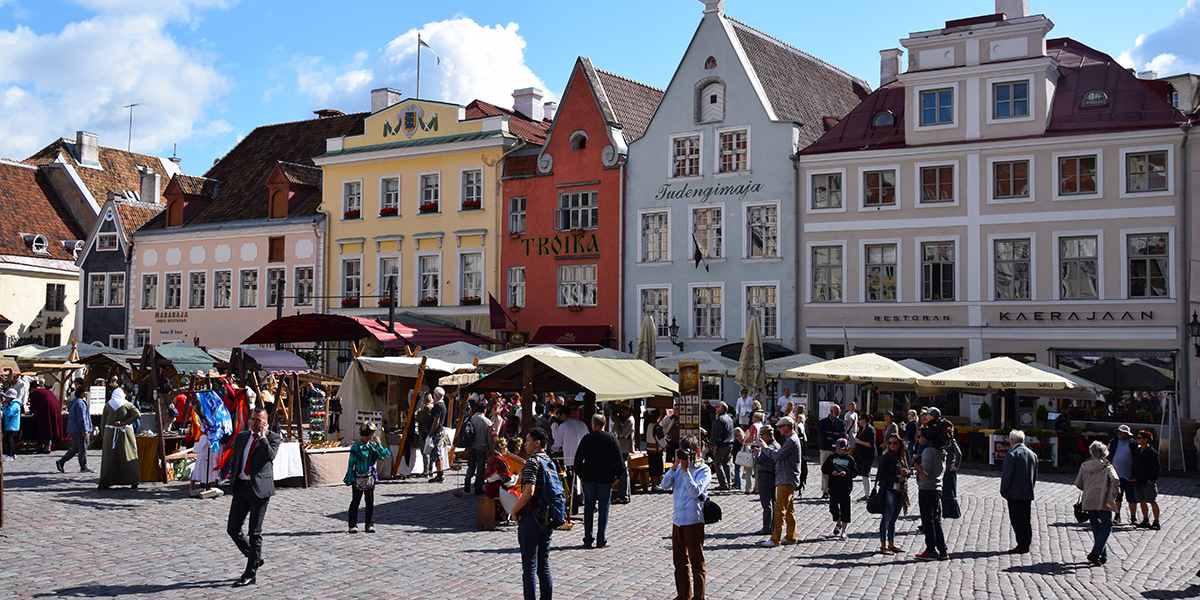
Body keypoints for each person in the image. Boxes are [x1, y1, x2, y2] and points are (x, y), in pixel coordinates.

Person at [223, 408, 280, 586]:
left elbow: (271, 456)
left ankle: (250, 573)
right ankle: (255, 557)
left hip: (260, 490)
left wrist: (262, 437)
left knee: (254, 533)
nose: (256, 423)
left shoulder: (273, 438)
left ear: (266, 422)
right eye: (253, 419)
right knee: (232, 528)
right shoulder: (242, 437)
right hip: (241, 487)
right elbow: (236, 459)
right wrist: (229, 476)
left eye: (260, 420)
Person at [511, 428, 560, 600]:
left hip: (531, 517)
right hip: (548, 516)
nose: (525, 444)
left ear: (537, 442)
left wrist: (514, 510)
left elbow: (529, 491)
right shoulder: (550, 461)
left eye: (528, 440)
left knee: (529, 567)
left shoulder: (533, 462)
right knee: (543, 565)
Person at [660, 436, 710, 600]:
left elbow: (695, 492)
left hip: (693, 520)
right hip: (678, 520)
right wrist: (674, 467)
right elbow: (664, 485)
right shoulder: (677, 468)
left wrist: (686, 470)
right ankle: (683, 595)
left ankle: (699, 597)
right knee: (679, 562)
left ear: (696, 452)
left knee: (697, 562)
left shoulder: (703, 470)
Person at [574, 414, 625, 548]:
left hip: (589, 479)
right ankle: (601, 539)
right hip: (605, 479)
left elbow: (577, 461)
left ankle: (588, 538)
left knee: (588, 509)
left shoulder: (587, 439)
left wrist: (581, 475)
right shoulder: (611, 439)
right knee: (603, 510)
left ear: (593, 424)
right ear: (604, 424)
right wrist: (616, 478)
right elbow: (619, 462)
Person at [1075, 441, 1119, 566]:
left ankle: (1102, 555)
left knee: (1096, 527)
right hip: (1104, 499)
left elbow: (1079, 483)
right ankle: (1095, 553)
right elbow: (1116, 480)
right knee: (1106, 526)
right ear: (1104, 452)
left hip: (1089, 499)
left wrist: (1089, 488)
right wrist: (1114, 493)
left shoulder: (1084, 465)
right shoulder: (1107, 466)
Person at [344, 424, 391, 533]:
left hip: (369, 478)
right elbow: (351, 463)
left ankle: (369, 524)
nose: (370, 437)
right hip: (358, 478)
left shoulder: (373, 446)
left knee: (369, 502)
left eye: (371, 435)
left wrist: (379, 444)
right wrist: (350, 476)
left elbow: (383, 456)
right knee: (355, 501)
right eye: (369, 435)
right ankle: (352, 525)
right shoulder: (356, 447)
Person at [762, 416, 800, 547]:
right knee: (789, 510)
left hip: (786, 478)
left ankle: (775, 539)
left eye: (781, 427)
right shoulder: (790, 439)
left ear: (788, 427)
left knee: (779, 510)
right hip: (788, 478)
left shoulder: (791, 441)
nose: (779, 429)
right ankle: (791, 536)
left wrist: (765, 447)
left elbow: (778, 456)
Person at [1000, 429, 1038, 554]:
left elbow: (1007, 475)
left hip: (1014, 494)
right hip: (1027, 492)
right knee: (1026, 519)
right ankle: (1026, 543)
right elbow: (1035, 476)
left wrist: (1004, 491)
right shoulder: (1032, 454)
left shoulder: (1012, 454)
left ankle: (1021, 545)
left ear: (1011, 440)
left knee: (1017, 520)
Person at [98, 384, 140, 490]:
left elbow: (102, 422)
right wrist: (125, 422)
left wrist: (104, 435)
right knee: (128, 455)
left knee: (109, 458)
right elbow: (137, 414)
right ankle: (132, 480)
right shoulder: (127, 404)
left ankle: (106, 481)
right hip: (125, 433)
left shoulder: (108, 405)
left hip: (110, 433)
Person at [914, 427, 948, 560]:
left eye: (920, 436)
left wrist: (917, 466)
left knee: (929, 522)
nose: (918, 439)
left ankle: (931, 550)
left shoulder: (928, 451)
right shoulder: (940, 451)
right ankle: (942, 550)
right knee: (936, 520)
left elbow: (925, 475)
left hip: (927, 489)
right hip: (936, 488)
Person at [551, 405, 588, 515]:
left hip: (570, 458)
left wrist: (552, 449)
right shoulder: (582, 424)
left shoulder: (564, 426)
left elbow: (557, 444)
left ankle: (574, 506)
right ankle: (589, 503)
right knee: (585, 482)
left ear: (563, 414)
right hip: (584, 458)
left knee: (572, 484)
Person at [876, 434, 909, 554]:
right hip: (889, 490)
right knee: (886, 518)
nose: (892, 445)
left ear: (899, 444)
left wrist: (907, 472)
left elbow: (908, 469)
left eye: (895, 443)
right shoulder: (886, 457)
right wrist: (896, 477)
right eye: (890, 443)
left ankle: (891, 544)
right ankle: (883, 545)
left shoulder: (902, 456)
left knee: (893, 519)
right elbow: (881, 475)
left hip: (900, 490)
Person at [823, 438, 856, 540]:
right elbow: (824, 468)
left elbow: (855, 472)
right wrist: (832, 472)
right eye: (837, 448)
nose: (839, 450)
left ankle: (844, 531)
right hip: (833, 486)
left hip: (845, 487)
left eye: (841, 448)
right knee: (833, 507)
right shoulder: (831, 458)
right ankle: (838, 522)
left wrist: (847, 473)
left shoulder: (850, 459)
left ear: (846, 449)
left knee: (845, 508)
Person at [57, 380, 93, 473]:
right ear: (81, 393)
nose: (85, 394)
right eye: (84, 392)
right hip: (79, 430)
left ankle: (61, 461)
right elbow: (82, 418)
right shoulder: (80, 403)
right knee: (82, 448)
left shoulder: (74, 402)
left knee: (75, 448)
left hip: (74, 429)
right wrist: (85, 430)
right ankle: (83, 466)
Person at [1107, 424, 1138, 525]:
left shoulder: (1132, 443)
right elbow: (1108, 455)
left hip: (1129, 475)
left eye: (1122, 433)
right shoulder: (1114, 442)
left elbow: (1137, 459)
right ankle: (1117, 515)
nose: (1120, 434)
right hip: (1116, 475)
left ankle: (1133, 517)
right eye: (1119, 432)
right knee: (1117, 497)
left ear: (1127, 434)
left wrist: (1135, 475)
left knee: (1132, 498)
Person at [1132, 430, 1161, 530]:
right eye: (1138, 438)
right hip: (1138, 480)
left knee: (1152, 501)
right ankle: (1145, 520)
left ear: (1146, 439)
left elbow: (1156, 468)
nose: (1138, 440)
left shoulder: (1152, 452)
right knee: (1142, 501)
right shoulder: (1138, 450)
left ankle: (1156, 521)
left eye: (1140, 438)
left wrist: (1152, 480)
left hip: (1148, 481)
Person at [753, 425, 779, 535]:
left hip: (766, 476)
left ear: (767, 435)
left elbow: (762, 461)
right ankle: (772, 526)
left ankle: (766, 527)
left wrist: (756, 455)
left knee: (766, 503)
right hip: (772, 476)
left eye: (762, 435)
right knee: (773, 502)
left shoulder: (769, 447)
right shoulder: (776, 444)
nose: (761, 438)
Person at [464, 403, 494, 495]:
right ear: (484, 410)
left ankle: (467, 482)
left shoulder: (470, 419)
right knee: (480, 468)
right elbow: (489, 438)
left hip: (471, 446)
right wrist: (491, 450)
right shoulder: (487, 422)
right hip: (482, 447)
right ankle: (478, 487)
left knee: (471, 465)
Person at [27, 380, 64, 453]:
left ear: (31, 388)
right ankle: (47, 445)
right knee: (50, 426)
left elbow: (33, 406)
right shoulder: (46, 391)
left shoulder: (35, 393)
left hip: (46, 410)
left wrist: (32, 411)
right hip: (54, 408)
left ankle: (47, 446)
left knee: (46, 427)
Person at [818, 404, 844, 498]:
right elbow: (823, 436)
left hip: (836, 450)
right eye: (835, 412)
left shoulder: (841, 423)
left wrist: (833, 438)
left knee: (836, 470)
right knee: (825, 470)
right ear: (831, 411)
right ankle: (825, 491)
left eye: (838, 412)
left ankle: (833, 489)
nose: (837, 414)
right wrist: (834, 438)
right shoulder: (823, 422)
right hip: (825, 449)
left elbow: (842, 436)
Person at [611, 406, 635, 504]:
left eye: (623, 410)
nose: (621, 413)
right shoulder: (623, 419)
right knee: (621, 472)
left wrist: (617, 422)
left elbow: (622, 434)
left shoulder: (630, 420)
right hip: (620, 448)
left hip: (624, 449)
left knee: (624, 472)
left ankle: (624, 495)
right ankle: (622, 494)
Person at [710, 402, 735, 491]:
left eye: (717, 407)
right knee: (726, 464)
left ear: (723, 408)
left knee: (717, 464)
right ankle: (729, 483)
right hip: (729, 444)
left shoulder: (719, 419)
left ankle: (723, 484)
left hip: (721, 445)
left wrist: (714, 446)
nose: (716, 408)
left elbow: (716, 434)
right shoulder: (729, 418)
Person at [853, 417, 877, 501]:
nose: (859, 421)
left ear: (865, 420)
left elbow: (870, 444)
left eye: (861, 420)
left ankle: (868, 495)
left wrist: (858, 441)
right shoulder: (861, 429)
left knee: (865, 474)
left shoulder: (870, 429)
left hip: (868, 455)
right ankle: (867, 494)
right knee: (864, 474)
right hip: (861, 455)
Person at [427, 387, 447, 483]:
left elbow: (436, 421)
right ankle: (440, 474)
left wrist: (431, 432)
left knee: (437, 453)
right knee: (438, 453)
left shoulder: (438, 406)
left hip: (437, 432)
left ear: (435, 395)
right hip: (440, 431)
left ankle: (440, 475)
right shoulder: (443, 405)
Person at [741, 412, 764, 494]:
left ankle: (748, 488)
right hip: (759, 448)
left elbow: (751, 438)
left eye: (753, 417)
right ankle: (757, 488)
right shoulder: (762, 425)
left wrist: (744, 441)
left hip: (751, 448)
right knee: (757, 470)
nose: (752, 418)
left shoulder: (754, 425)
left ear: (756, 418)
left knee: (748, 470)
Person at [2, 388, 22, 462]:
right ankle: (11, 454)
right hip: (9, 425)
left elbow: (8, 413)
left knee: (10, 441)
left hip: (12, 426)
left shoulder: (15, 405)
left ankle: (11, 455)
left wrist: (5, 407)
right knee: (8, 440)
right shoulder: (12, 404)